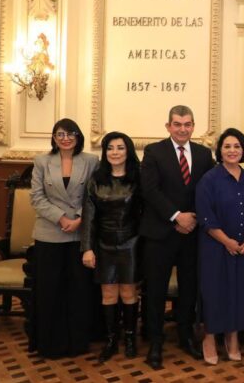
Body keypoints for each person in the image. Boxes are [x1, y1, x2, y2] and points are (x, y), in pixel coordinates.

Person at [140, 106, 215, 370]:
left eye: (187, 124)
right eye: (177, 124)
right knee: (156, 290)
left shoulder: (205, 154)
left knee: (189, 289)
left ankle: (185, 336)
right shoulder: (153, 152)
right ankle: (156, 342)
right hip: (160, 233)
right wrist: (176, 216)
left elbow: (209, 189)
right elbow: (149, 190)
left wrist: (192, 219)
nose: (182, 129)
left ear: (194, 126)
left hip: (192, 234)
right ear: (168, 126)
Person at [30, 118, 99, 358]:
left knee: (78, 291)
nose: (66, 138)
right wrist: (61, 218)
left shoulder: (91, 161)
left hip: (81, 234)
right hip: (49, 234)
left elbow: (95, 195)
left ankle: (77, 343)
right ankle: (51, 343)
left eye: (71, 134)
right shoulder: (42, 161)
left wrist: (80, 218)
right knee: (51, 291)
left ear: (78, 136)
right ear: (54, 137)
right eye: (60, 134)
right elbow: (37, 198)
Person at [195, 128, 244, 365]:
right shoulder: (209, 180)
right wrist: (227, 241)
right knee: (215, 293)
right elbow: (205, 216)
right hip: (215, 247)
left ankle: (232, 339)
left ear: (243, 151)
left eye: (237, 147)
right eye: (227, 146)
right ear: (220, 150)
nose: (232, 151)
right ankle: (210, 338)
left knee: (239, 294)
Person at [81, 131, 142, 362]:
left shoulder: (138, 178)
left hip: (131, 243)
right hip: (103, 244)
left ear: (128, 151)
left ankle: (129, 339)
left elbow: (145, 214)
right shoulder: (96, 180)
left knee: (128, 292)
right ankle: (111, 340)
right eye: (110, 148)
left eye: (120, 148)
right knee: (108, 293)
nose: (115, 153)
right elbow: (89, 218)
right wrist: (87, 248)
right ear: (105, 152)